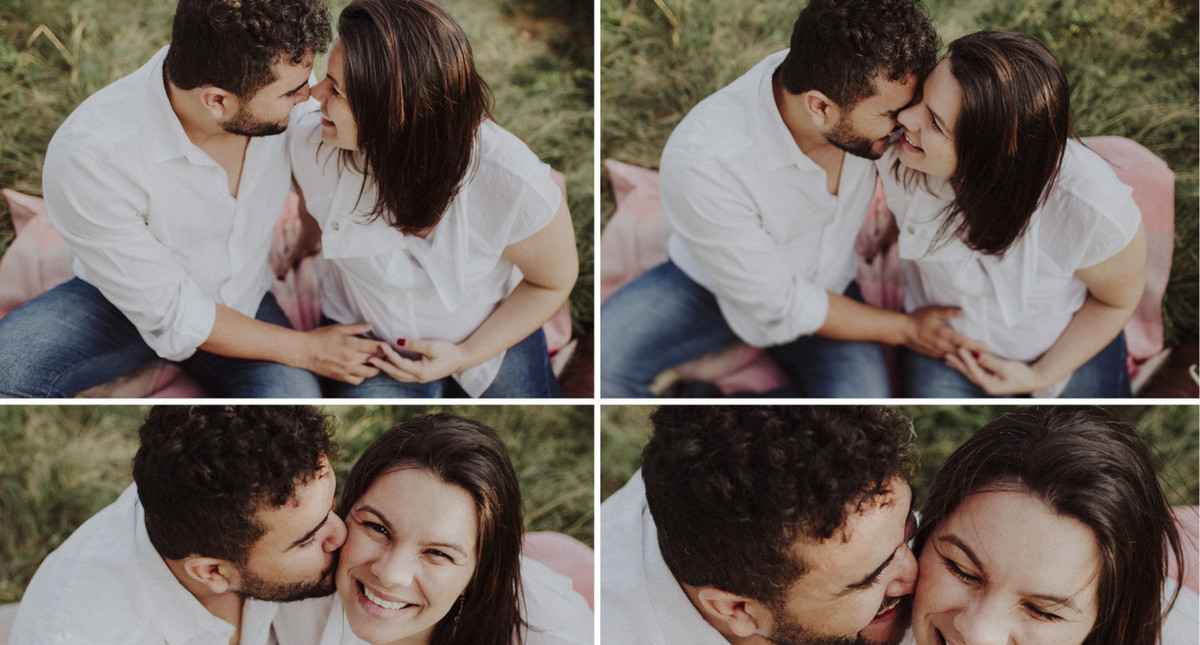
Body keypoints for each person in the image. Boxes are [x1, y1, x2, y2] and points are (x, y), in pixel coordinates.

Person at [600, 0, 997, 398]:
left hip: (834, 287)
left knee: (857, 410)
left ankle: (714, 400)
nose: (908, 123)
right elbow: (781, 303)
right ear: (820, 107)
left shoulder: (875, 97)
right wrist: (906, 329)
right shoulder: (703, 162)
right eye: (893, 113)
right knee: (604, 368)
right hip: (715, 288)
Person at [0, 0, 392, 399]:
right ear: (216, 101)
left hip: (244, 302)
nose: (310, 95)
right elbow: (172, 311)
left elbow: (317, 166)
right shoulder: (90, 158)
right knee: (7, 374)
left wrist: (309, 230)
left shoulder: (279, 88)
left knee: (293, 401)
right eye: (293, 91)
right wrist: (309, 349)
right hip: (120, 304)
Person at [0, 406, 386, 645]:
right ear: (212, 572)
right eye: (308, 539)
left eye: (330, 505)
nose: (340, 534)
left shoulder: (221, 503)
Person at [835, 407, 1199, 645]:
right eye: (961, 570)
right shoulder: (852, 597)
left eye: (1042, 610)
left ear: (1104, 623)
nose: (977, 633)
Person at [601, 406, 918, 645]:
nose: (914, 574)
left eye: (908, 531)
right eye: (869, 579)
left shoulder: (764, 502)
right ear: (736, 609)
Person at [273, 414, 594, 645]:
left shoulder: (551, 640)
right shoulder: (292, 585)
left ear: (481, 572)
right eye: (376, 527)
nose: (391, 574)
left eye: (438, 553)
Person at [289, 0, 579, 398]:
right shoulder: (310, 143)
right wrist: (306, 236)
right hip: (369, 341)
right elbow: (311, 198)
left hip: (488, 333)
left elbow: (552, 282)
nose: (314, 93)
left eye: (336, 89)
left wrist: (464, 355)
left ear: (396, 114)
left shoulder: (514, 184)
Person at [882, 31, 1146, 397]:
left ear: (996, 149)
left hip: (1061, 348)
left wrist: (1039, 376)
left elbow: (1116, 302)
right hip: (947, 345)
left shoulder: (1091, 208)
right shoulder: (894, 148)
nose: (905, 117)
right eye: (921, 97)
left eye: (936, 123)